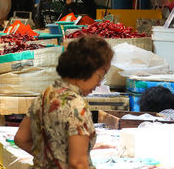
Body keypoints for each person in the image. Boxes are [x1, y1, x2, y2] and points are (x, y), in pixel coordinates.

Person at [14, 36, 113, 169]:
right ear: (86, 69)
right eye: (100, 75)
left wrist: (49, 161)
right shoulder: (76, 105)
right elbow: (78, 163)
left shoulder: (45, 95)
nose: (99, 84)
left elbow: (21, 138)